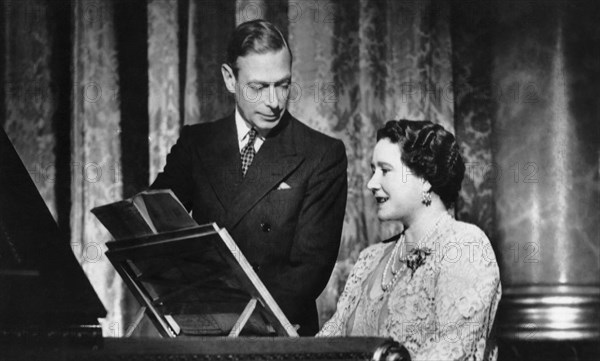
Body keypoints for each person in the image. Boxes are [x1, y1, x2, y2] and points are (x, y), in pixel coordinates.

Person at [150, 19, 347, 336]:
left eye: (283, 85)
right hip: (203, 332)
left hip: (275, 335)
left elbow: (311, 268)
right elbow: (153, 224)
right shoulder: (196, 144)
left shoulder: (322, 154)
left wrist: (240, 323)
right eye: (258, 87)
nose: (274, 102)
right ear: (230, 79)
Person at [318, 120, 501, 360]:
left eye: (385, 170)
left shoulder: (465, 246)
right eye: (373, 171)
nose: (371, 184)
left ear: (425, 178)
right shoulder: (370, 259)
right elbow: (326, 346)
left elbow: (452, 350)